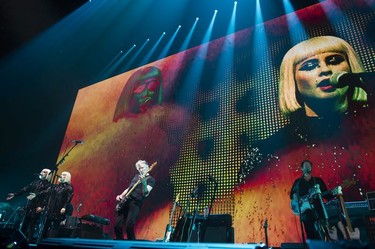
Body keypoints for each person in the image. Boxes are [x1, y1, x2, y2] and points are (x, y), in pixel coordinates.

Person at [6, 168, 51, 243]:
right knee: (24, 223)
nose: (42, 173)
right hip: (30, 204)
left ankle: (29, 241)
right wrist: (15, 194)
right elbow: (25, 189)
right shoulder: (35, 182)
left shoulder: (49, 185)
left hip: (38, 206)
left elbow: (46, 196)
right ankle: (20, 240)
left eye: (44, 172)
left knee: (32, 224)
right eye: (42, 171)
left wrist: (41, 206)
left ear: (48, 175)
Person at [290, 160, 332, 240]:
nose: (307, 167)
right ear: (302, 169)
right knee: (310, 234)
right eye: (305, 166)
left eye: (309, 165)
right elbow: (292, 195)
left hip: (319, 210)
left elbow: (326, 195)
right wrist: (294, 195)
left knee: (324, 232)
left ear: (311, 167)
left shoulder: (318, 180)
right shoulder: (298, 182)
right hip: (306, 212)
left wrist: (334, 193)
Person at [114, 160, 155, 240]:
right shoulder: (136, 176)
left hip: (135, 203)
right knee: (117, 226)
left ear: (147, 167)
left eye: (142, 168)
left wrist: (144, 183)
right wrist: (121, 196)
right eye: (139, 168)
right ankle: (120, 244)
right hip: (126, 201)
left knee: (129, 226)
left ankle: (131, 244)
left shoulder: (151, 180)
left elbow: (146, 193)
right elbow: (129, 188)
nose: (140, 170)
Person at [42, 171, 74, 239]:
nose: (61, 176)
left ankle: (51, 241)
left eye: (64, 175)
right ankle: (42, 240)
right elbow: (47, 192)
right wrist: (36, 194)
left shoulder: (69, 187)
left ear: (67, 177)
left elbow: (68, 199)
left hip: (59, 208)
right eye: (61, 174)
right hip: (51, 208)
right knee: (46, 225)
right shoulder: (55, 186)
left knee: (55, 226)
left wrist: (64, 207)